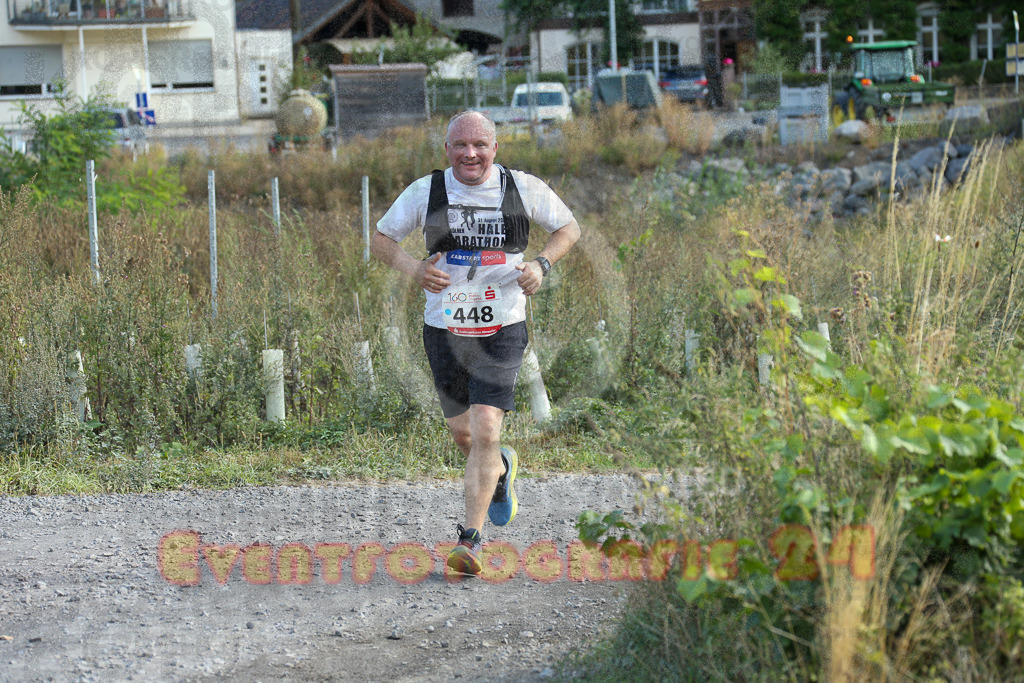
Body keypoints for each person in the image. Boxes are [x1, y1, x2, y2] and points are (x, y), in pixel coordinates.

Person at [371, 111, 581, 575]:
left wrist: (541, 265)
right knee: (465, 435)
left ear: (495, 148)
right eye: (460, 145)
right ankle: (500, 474)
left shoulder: (521, 186)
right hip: (444, 328)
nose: (471, 154)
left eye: (480, 145)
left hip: (503, 325)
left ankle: (470, 541)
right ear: (447, 150)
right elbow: (381, 240)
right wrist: (415, 270)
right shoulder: (427, 191)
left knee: (487, 429)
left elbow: (568, 228)